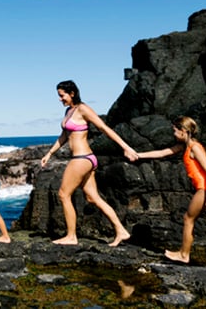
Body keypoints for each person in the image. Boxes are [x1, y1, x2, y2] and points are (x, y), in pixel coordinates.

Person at [131, 116, 206, 274]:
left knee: (188, 219)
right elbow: (163, 153)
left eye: (175, 130)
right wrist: (138, 155)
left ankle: (184, 254)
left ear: (184, 131)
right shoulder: (185, 146)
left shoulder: (195, 147)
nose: (173, 133)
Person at [41, 80, 138, 246]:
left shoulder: (83, 109)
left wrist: (126, 148)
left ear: (72, 93)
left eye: (62, 95)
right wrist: (49, 153)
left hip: (82, 158)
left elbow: (104, 128)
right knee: (93, 198)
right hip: (87, 159)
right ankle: (121, 231)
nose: (60, 99)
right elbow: (64, 136)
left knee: (63, 195)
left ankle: (71, 236)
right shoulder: (69, 111)